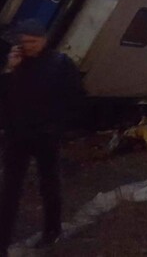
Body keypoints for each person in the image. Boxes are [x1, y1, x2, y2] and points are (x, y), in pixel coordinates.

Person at [0, 20, 83, 255]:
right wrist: (9, 71)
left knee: (49, 184)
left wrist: (58, 127)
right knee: (9, 190)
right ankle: (2, 241)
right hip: (17, 137)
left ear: (44, 40)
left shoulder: (61, 64)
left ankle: (52, 230)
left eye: (33, 41)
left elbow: (76, 98)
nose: (28, 46)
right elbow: (4, 98)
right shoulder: (15, 64)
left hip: (46, 136)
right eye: (24, 41)